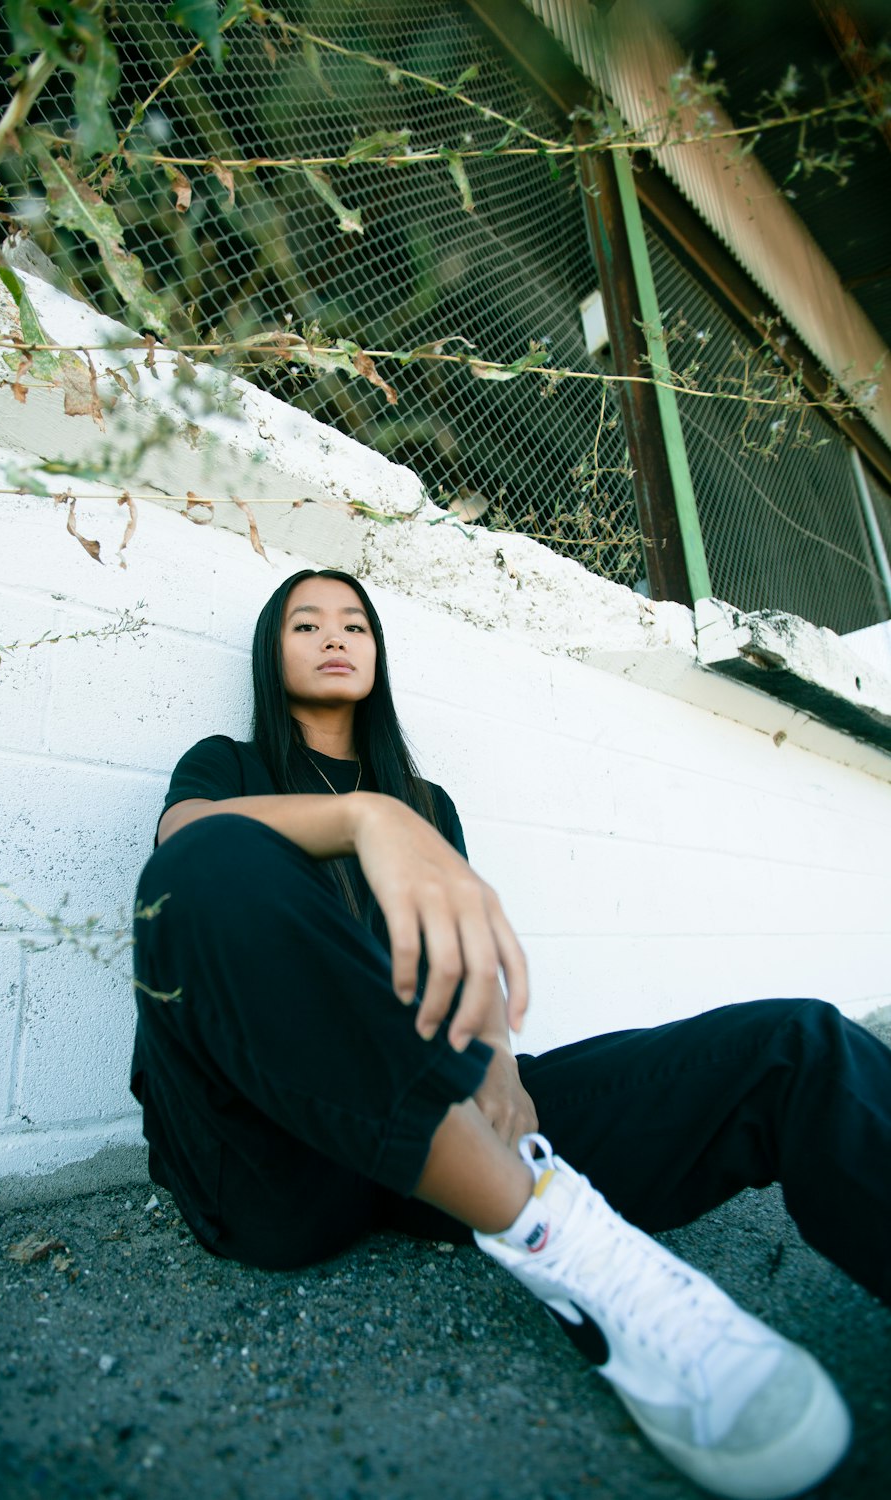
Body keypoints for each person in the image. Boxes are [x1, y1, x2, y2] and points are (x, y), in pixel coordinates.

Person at [132, 568, 890, 1499]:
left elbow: (469, 965)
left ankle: (530, 1199)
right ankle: (555, 1237)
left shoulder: (428, 801)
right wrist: (363, 818)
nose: (336, 637)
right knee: (212, 860)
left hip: (438, 1144)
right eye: (306, 624)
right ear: (270, 650)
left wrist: (499, 1072)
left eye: (356, 624)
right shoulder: (226, 765)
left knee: (799, 1046)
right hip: (275, 1169)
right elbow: (182, 841)